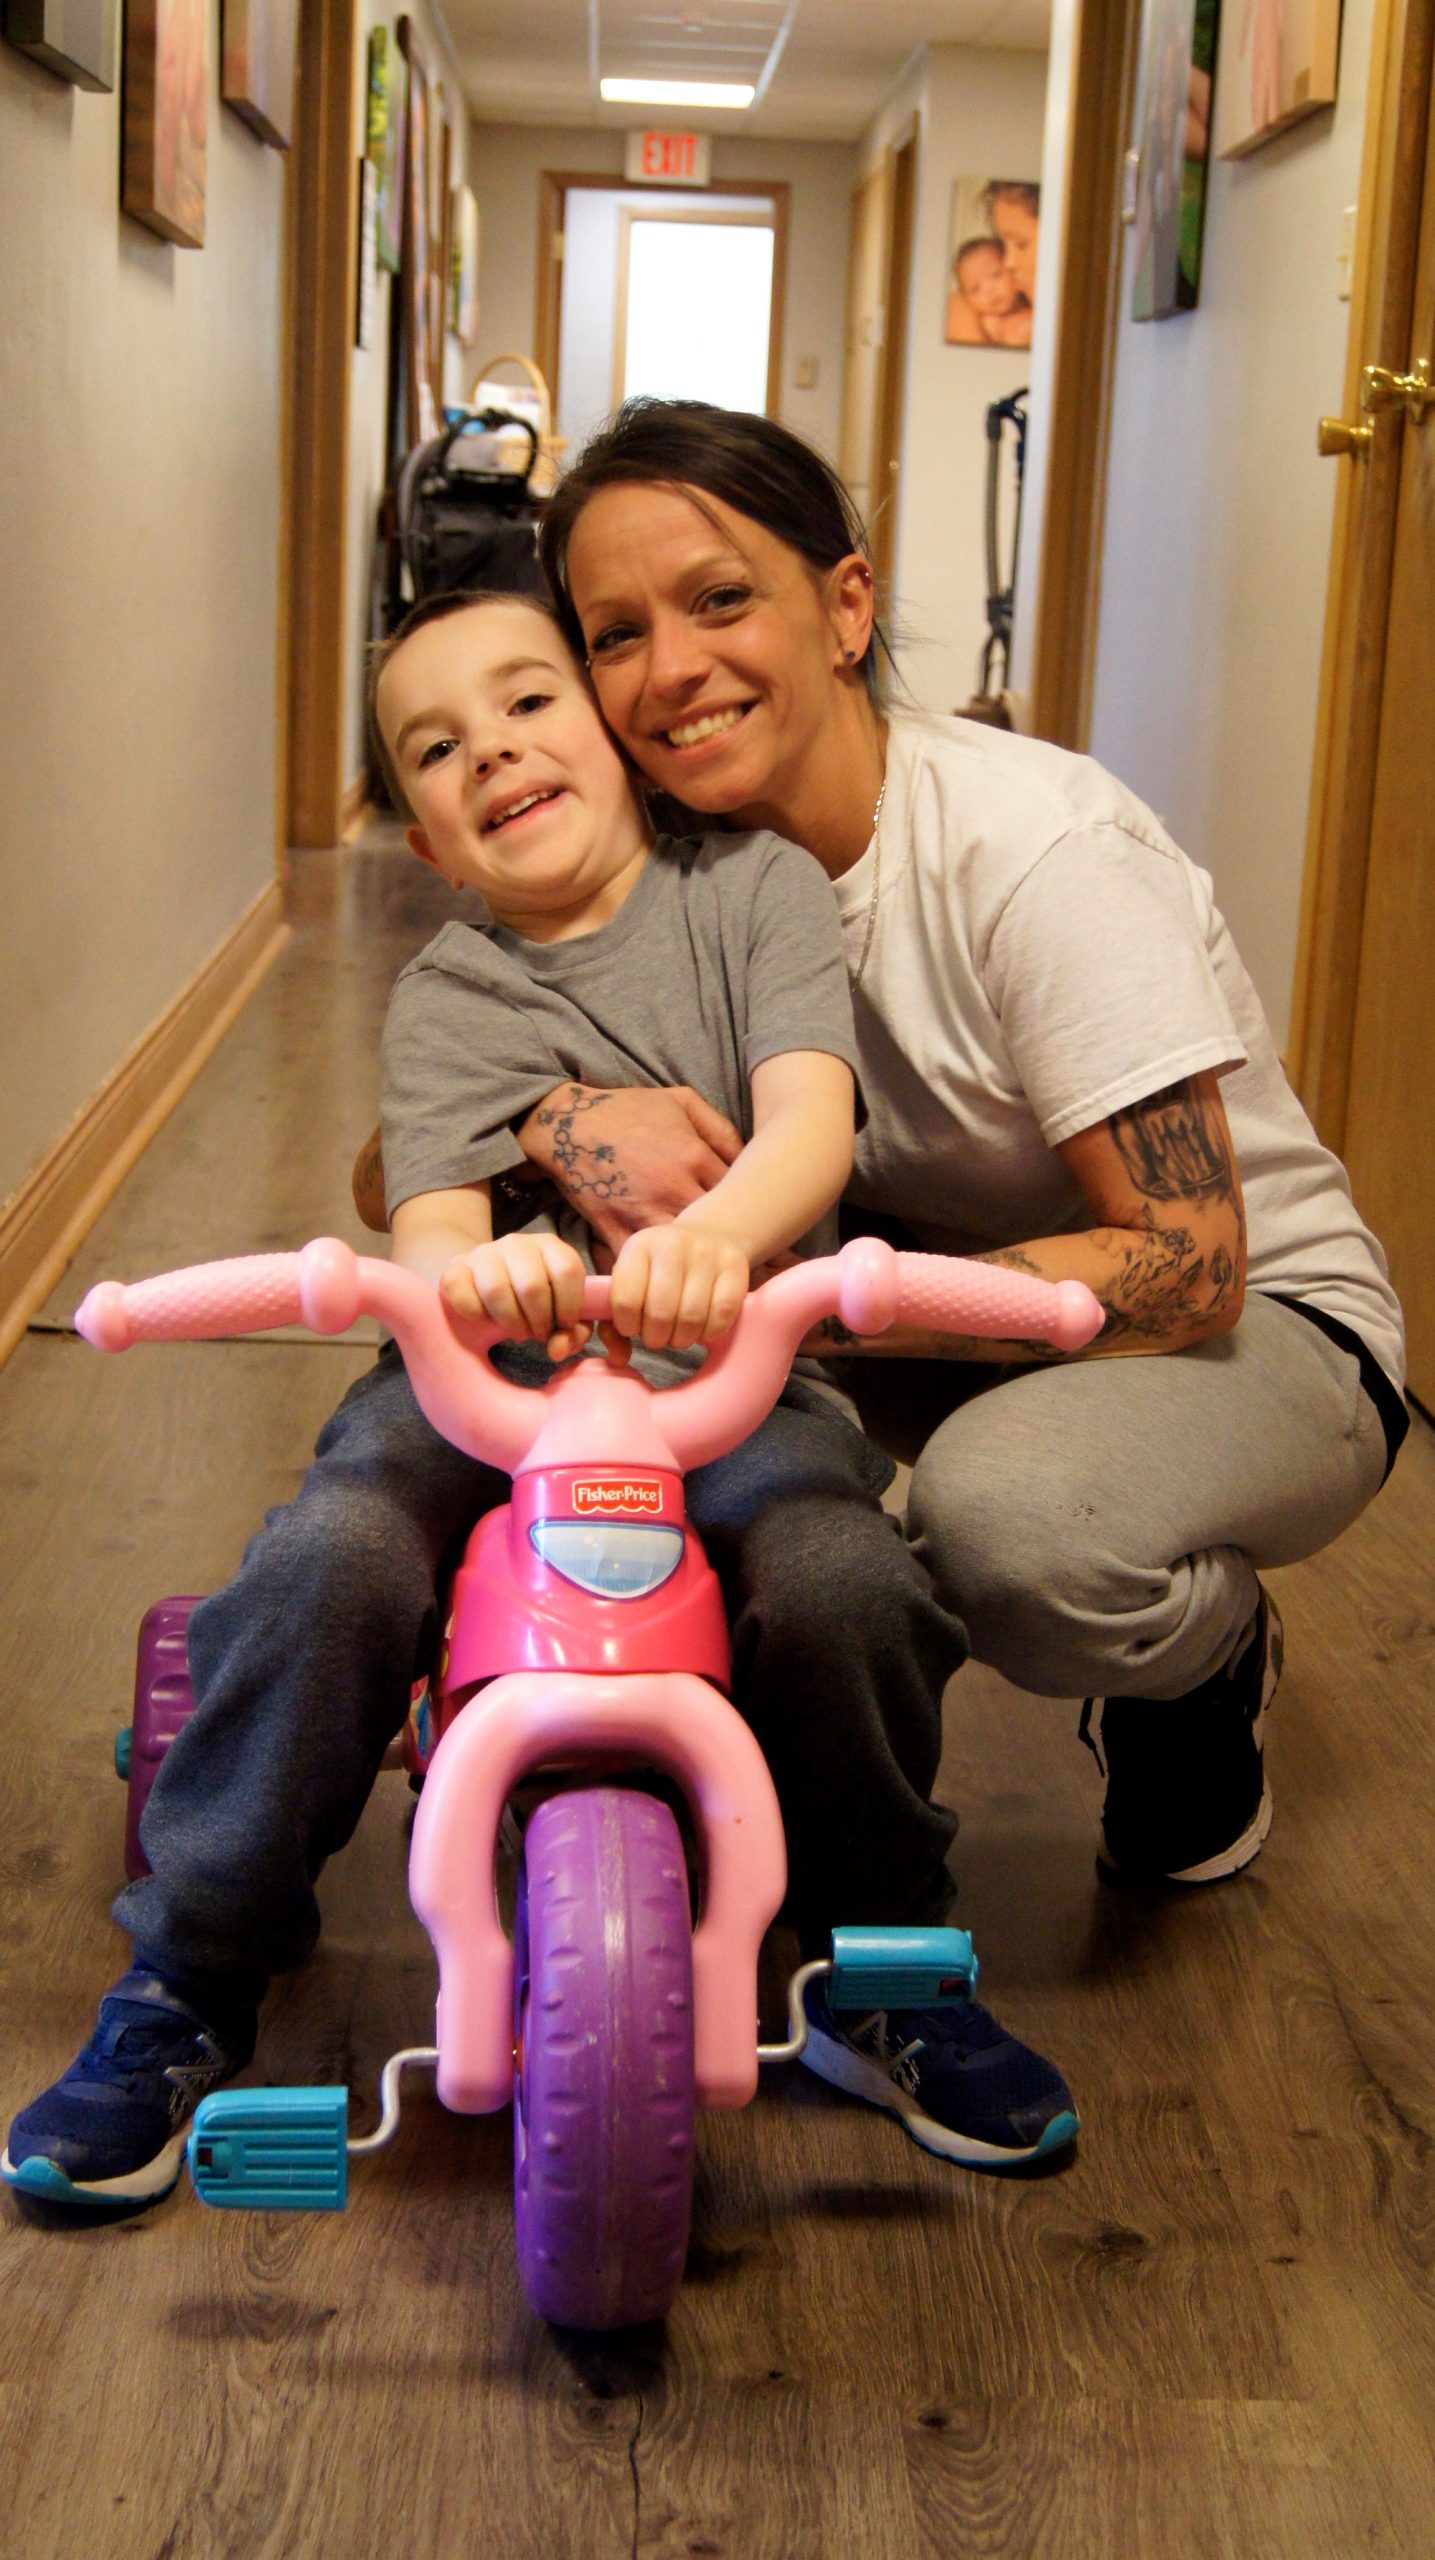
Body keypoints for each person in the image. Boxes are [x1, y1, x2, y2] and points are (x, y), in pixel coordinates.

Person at [3, 591, 1081, 2214]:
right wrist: (476, 1273)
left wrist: (720, 1246)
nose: (492, 748)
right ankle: (192, 1977)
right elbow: (432, 1223)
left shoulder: (757, 890)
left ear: (619, 736)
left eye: (528, 702)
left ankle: (877, 1964)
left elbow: (805, 1117)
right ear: (426, 833)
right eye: (437, 747)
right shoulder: (449, 991)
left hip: (723, 1377)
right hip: (483, 1391)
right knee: (335, 1566)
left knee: (843, 1574)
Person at [408, 397, 1402, 1918]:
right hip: (880, 1290)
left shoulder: (1032, 857)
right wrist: (553, 1123)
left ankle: (1200, 1664)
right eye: (613, 634)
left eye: (722, 598)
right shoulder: (648, 858)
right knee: (604, 1428)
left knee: (1000, 1530)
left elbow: (1191, 1262)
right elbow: (406, 1142)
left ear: (845, 606)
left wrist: (796, 1299)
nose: (669, 670)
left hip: (1251, 1320)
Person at [944, 237, 1031, 349]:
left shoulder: (1031, 312)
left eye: (996, 275)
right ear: (967, 300)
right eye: (975, 289)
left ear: (1014, 273)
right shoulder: (987, 322)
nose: (989, 290)